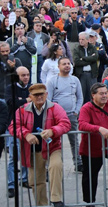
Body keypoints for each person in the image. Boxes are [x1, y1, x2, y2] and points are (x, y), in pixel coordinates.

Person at [9, 83, 71, 207]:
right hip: (32, 150)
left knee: (55, 166)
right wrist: (26, 134)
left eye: (41, 94)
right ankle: (41, 204)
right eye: (36, 95)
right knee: (36, 181)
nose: (39, 97)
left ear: (46, 94)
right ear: (30, 96)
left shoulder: (55, 108)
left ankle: (56, 200)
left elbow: (65, 123)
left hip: (52, 147)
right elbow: (13, 126)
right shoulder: (22, 110)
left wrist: (52, 130)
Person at [46, 56, 84, 172]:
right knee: (54, 141)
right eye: (64, 64)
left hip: (72, 115)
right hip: (56, 118)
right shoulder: (52, 81)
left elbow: (80, 97)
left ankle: (78, 163)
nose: (67, 66)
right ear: (58, 67)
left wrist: (77, 111)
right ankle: (53, 166)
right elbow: (48, 99)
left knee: (74, 140)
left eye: (68, 63)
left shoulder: (75, 80)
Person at [4, 66, 30, 198]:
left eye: (27, 75)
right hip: (13, 127)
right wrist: (25, 101)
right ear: (17, 76)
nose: (26, 77)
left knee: (25, 154)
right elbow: (11, 103)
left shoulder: (30, 88)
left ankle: (24, 179)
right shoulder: (10, 88)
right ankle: (11, 185)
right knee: (13, 157)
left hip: (27, 127)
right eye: (23, 75)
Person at [73, 32, 99, 103]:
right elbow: (77, 62)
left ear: (87, 40)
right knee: (81, 95)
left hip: (92, 74)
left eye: (83, 39)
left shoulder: (92, 47)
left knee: (93, 94)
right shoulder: (76, 49)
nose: (80, 41)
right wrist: (90, 59)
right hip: (81, 74)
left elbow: (96, 57)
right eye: (79, 39)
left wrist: (83, 58)